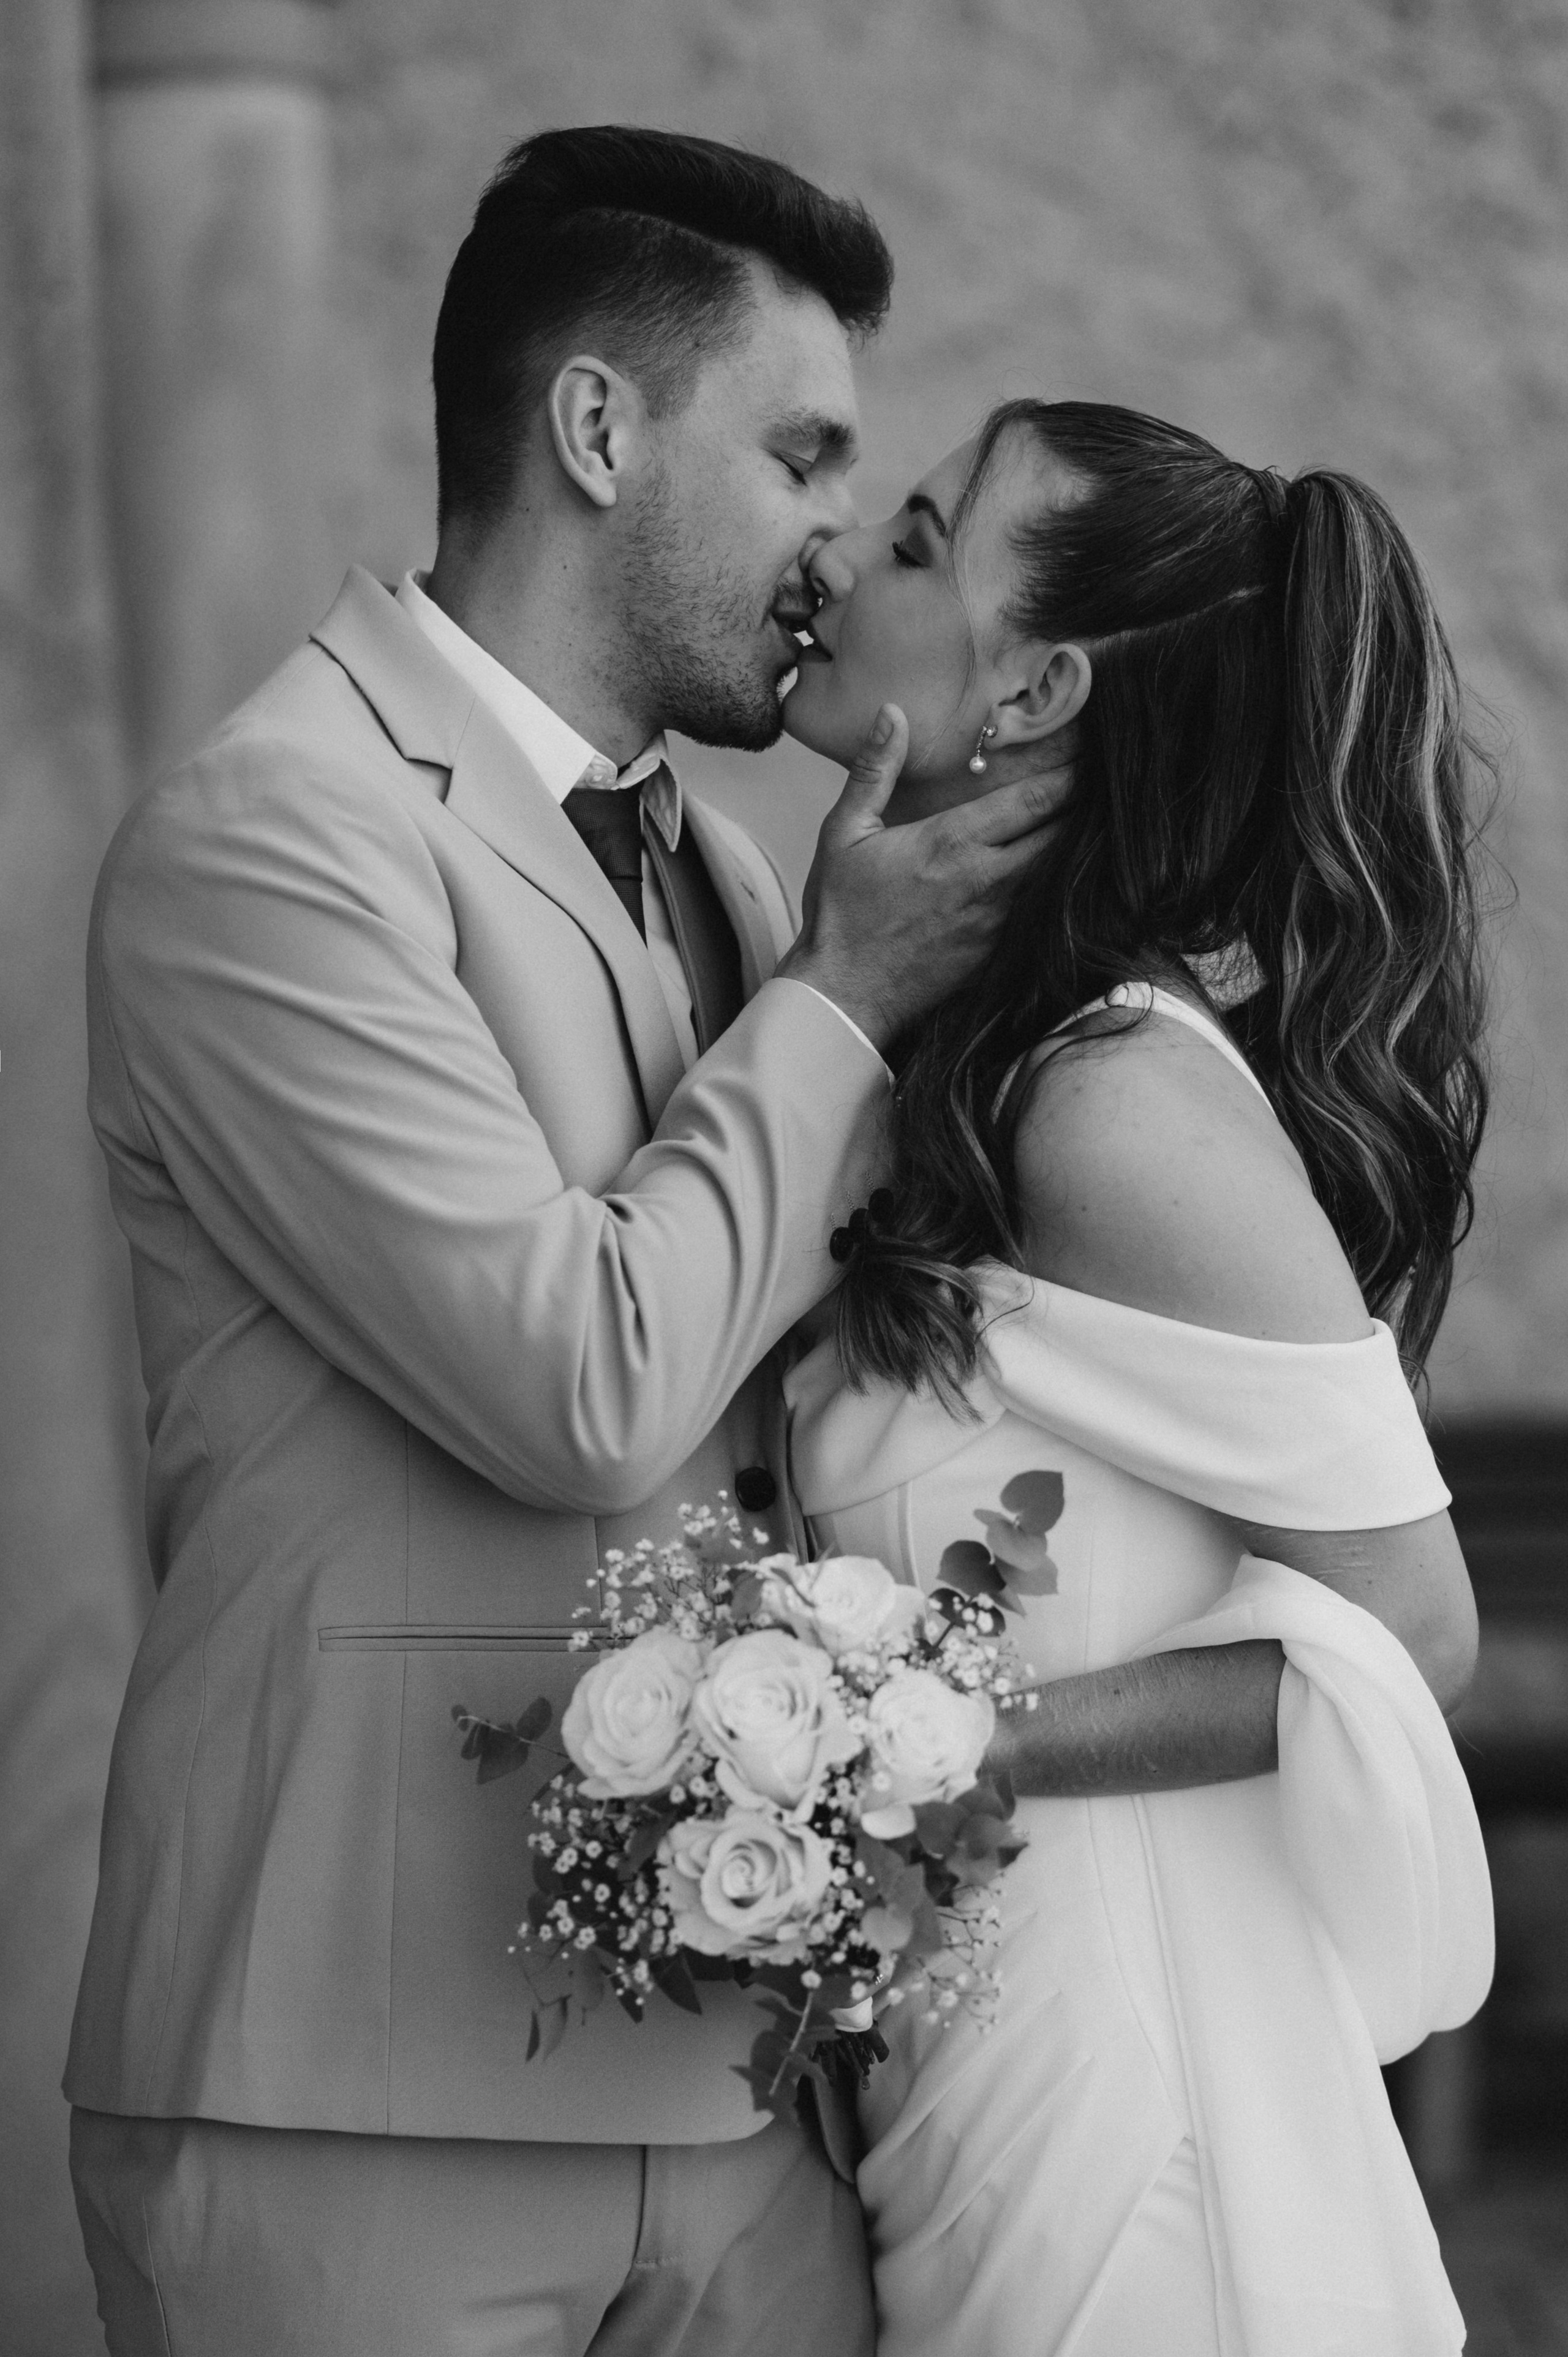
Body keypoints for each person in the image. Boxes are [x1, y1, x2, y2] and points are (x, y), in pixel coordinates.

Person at [64, 130, 1061, 2357]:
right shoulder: (274, 837)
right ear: (597, 430)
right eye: (801, 456)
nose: (835, 538)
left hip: (735, 2075)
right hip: (353, 2090)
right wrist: (842, 1001)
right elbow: (578, 1385)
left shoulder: (733, 863)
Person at [780, 401, 1495, 2355]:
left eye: (916, 540)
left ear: (1038, 687)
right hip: (975, 2082)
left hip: (1139, 2119)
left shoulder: (1106, 1100)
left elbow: (1414, 1623)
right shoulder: (951, 1058)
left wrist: (946, 1743)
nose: (838, 559)